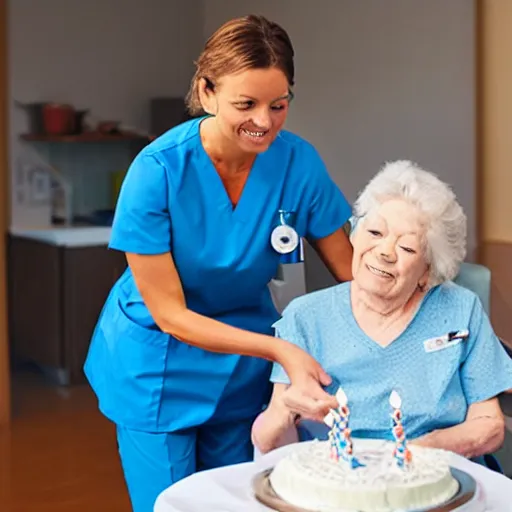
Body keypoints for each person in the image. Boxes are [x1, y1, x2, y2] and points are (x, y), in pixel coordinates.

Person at [83, 14, 353, 512]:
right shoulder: (157, 171)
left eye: (279, 104)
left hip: (243, 369)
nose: (264, 121)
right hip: (158, 364)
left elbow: (352, 273)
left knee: (237, 503)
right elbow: (171, 315)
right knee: (171, 503)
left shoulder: (298, 163)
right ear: (206, 92)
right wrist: (284, 352)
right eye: (245, 104)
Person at [252, 160, 512, 465]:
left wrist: (413, 454)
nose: (385, 251)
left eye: (407, 248)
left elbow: (490, 426)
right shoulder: (305, 317)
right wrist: (283, 411)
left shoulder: (460, 308)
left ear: (428, 272)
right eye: (375, 232)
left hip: (440, 473)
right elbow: (273, 444)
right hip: (339, 483)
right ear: (355, 235)